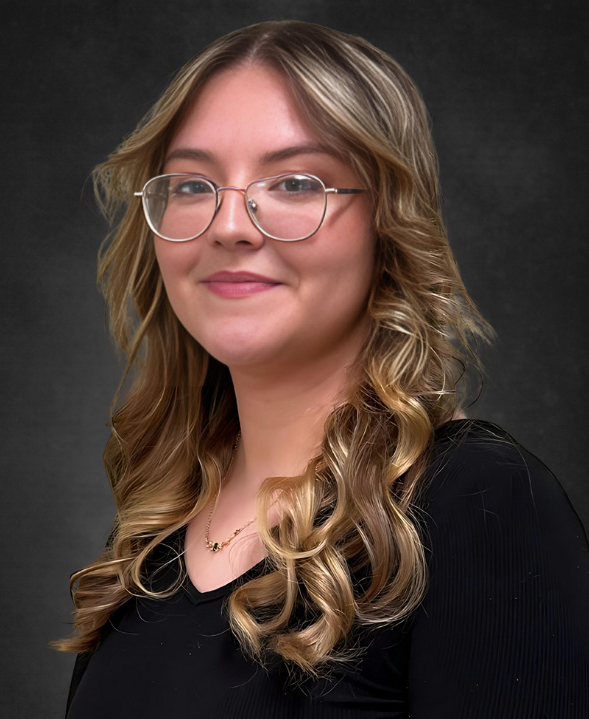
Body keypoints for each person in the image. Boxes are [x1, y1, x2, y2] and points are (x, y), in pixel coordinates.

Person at [55, 20, 589, 718]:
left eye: (296, 182)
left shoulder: (479, 504)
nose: (230, 225)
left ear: (388, 224)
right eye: (192, 185)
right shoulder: (150, 539)